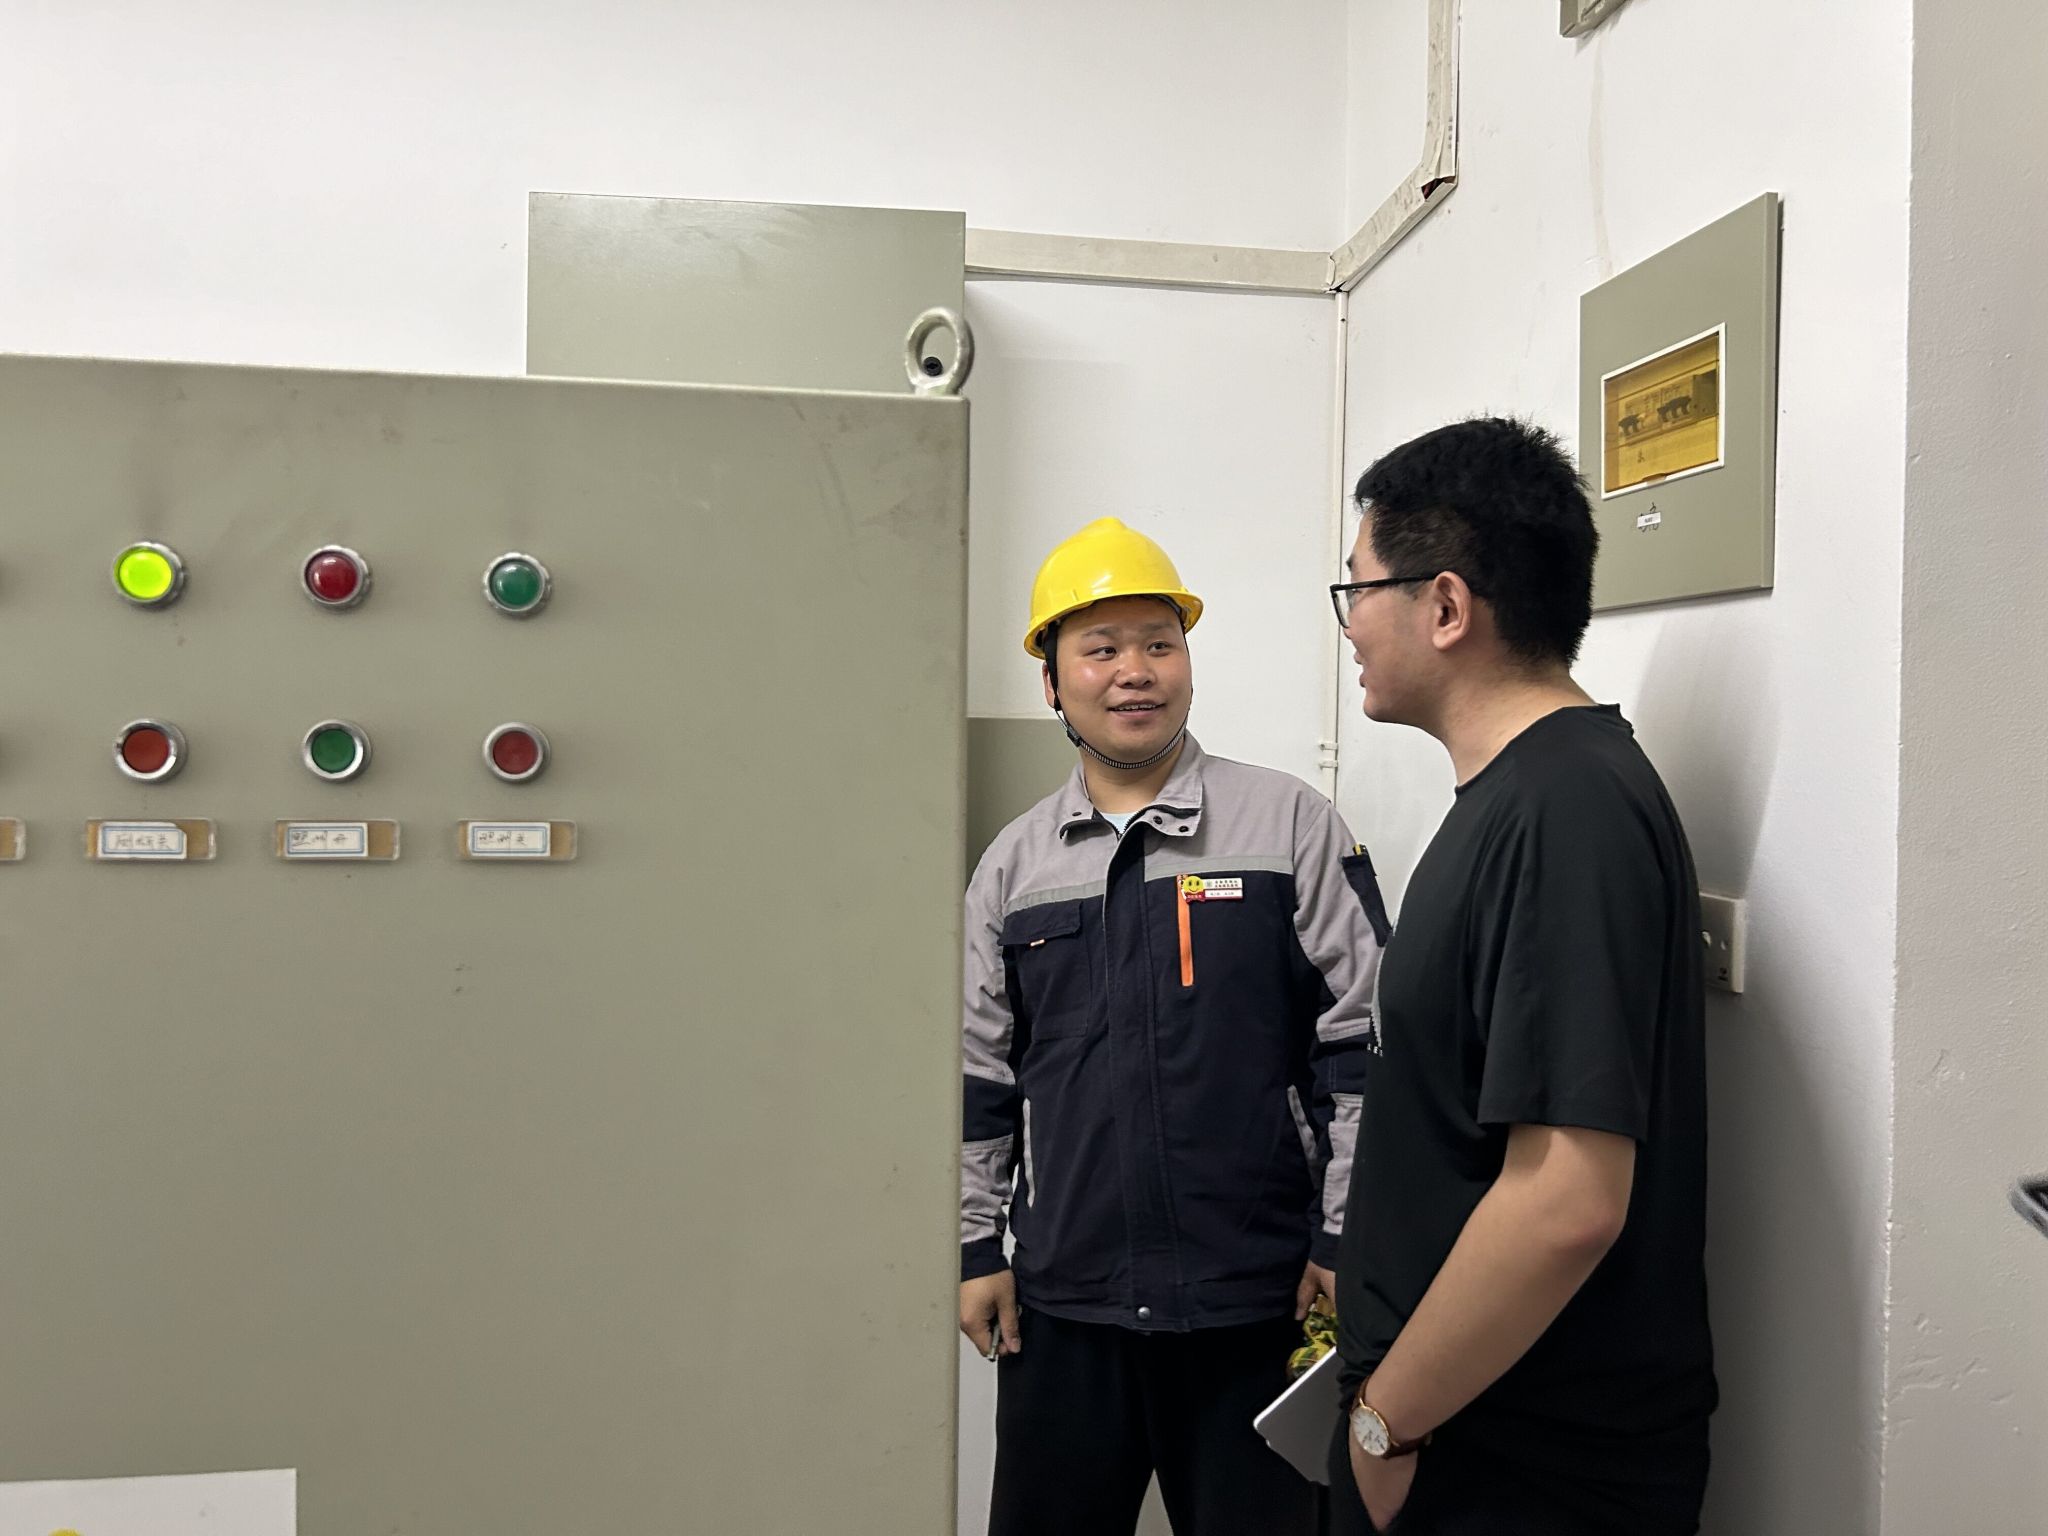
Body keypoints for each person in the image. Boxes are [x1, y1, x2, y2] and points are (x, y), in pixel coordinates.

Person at [959, 517, 1390, 1536]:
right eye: (1100, 649)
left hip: (1258, 1299)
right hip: (1067, 1305)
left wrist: (1343, 1236)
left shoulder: (1290, 826)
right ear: (1051, 682)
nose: (1134, 672)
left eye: (1160, 643)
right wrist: (975, 1246)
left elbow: (1366, 1050)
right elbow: (979, 1077)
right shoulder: (1013, 867)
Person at [1326, 418, 1717, 1535]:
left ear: (1446, 607)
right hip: (1465, 1438)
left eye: (1358, 588)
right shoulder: (1525, 795)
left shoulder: (1566, 810)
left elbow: (1565, 1202)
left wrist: (1387, 1426)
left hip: (1517, 1470)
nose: (1349, 624)